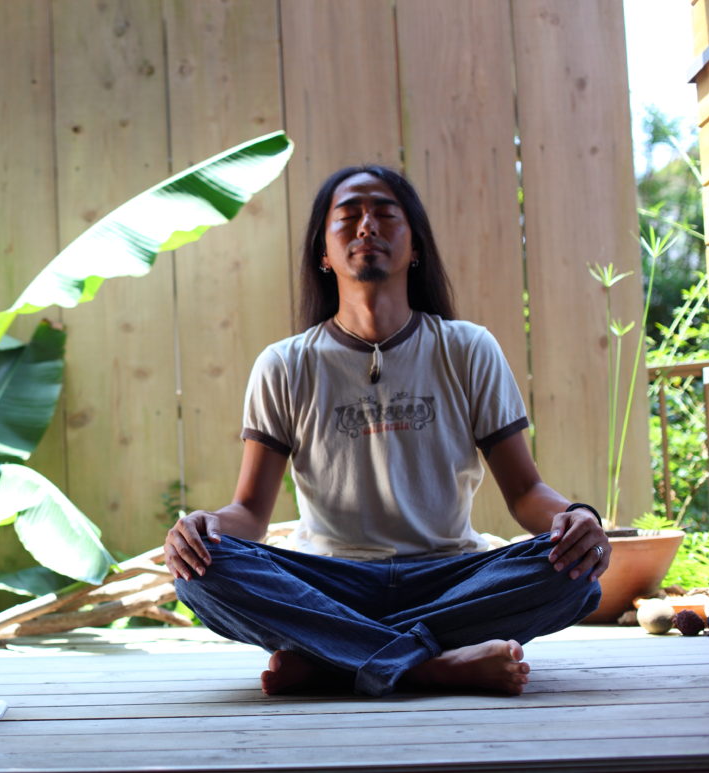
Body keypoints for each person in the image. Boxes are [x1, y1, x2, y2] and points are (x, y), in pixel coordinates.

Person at [165, 164, 607, 698]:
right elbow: (250, 514)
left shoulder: (467, 348)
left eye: (385, 213)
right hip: (329, 584)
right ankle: (431, 666)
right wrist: (205, 528)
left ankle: (335, 658)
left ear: (415, 246)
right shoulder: (284, 364)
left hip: (450, 577)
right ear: (323, 253)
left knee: (572, 575)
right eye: (348, 215)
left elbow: (526, 492)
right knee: (202, 569)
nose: (367, 225)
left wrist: (577, 518)